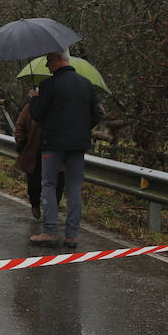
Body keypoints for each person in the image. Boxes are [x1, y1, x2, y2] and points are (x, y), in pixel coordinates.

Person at [27, 49, 103, 248]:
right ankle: (71, 236)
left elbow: (37, 115)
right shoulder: (86, 84)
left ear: (60, 59)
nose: (46, 65)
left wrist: (35, 97)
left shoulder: (48, 85)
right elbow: (98, 113)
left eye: (49, 59)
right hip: (78, 144)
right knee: (74, 187)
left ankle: (50, 232)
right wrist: (82, 129)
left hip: (53, 144)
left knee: (49, 185)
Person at [14, 98, 64, 219]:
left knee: (57, 183)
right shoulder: (30, 106)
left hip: (56, 151)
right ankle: (35, 204)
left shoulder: (62, 106)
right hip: (35, 152)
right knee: (34, 183)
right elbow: (19, 126)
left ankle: (52, 210)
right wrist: (21, 142)